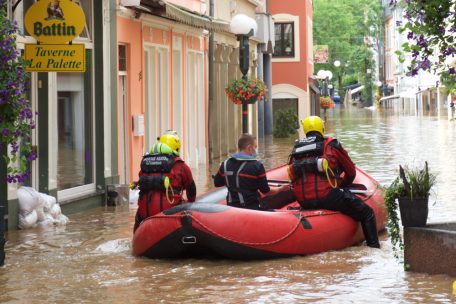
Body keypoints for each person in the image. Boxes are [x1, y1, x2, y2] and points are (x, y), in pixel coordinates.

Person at [287, 116, 380, 248]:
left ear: (305, 130)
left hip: (303, 200)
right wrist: (341, 186)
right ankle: (374, 248)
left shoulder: (296, 150)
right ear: (322, 128)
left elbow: (293, 177)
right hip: (328, 197)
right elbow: (351, 172)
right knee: (367, 213)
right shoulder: (331, 145)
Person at [133, 130, 196, 232]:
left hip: (145, 213)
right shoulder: (180, 165)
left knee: (138, 218)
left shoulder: (145, 163)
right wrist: (192, 204)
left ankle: (136, 235)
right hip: (171, 212)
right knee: (187, 210)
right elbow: (191, 188)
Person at [213, 134, 288, 210]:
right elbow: (266, 192)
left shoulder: (225, 164)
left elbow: (217, 183)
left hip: (231, 209)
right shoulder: (257, 166)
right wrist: (281, 189)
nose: (256, 150)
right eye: (255, 147)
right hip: (251, 210)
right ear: (249, 148)